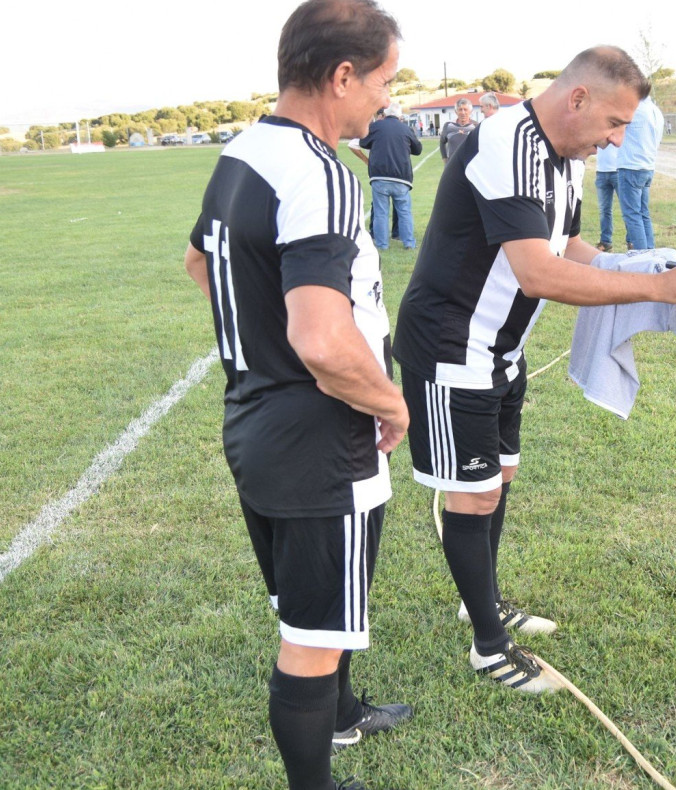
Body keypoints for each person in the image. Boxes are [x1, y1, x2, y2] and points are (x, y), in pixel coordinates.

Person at [393, 46, 676, 695]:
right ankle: (490, 646)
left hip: (499, 350)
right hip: (453, 346)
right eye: (615, 122)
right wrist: (658, 292)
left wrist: (641, 267)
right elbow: (538, 272)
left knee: (499, 476)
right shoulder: (506, 142)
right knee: (474, 492)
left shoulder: (563, 159)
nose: (617, 138)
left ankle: (480, 601)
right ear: (578, 100)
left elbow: (567, 246)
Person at [181, 2, 411, 788]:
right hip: (318, 433)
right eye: (383, 80)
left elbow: (199, 264)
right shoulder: (319, 172)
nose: (387, 99)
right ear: (342, 76)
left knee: (316, 605)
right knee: (311, 633)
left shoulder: (243, 149)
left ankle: (342, 716)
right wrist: (389, 401)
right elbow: (321, 339)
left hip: (254, 416)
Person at [350, 106, 423, 250]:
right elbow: (418, 150)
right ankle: (408, 243)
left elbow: (363, 143)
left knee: (381, 212)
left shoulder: (376, 126)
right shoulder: (406, 129)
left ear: (385, 114)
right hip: (401, 176)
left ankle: (382, 244)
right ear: (400, 116)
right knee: (404, 211)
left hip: (379, 175)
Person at [616, 92, 662, 250]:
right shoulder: (655, 110)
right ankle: (650, 252)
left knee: (632, 215)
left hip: (631, 166)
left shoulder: (634, 109)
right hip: (647, 166)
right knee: (643, 213)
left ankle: (642, 255)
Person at [593, 143, 619, 252]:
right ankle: (605, 241)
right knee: (604, 210)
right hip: (601, 172)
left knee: (627, 210)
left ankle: (631, 240)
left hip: (618, 170)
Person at [438, 97, 476, 162]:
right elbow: (442, 142)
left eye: (465, 109)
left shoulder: (476, 126)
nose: (463, 112)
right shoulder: (448, 125)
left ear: (470, 111)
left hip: (470, 165)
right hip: (452, 164)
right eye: (460, 109)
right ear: (456, 112)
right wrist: (444, 157)